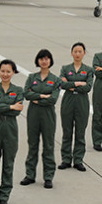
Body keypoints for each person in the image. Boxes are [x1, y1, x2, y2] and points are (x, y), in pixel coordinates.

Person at [0, 59, 24, 204]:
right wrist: (10, 105)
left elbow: (18, 109)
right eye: (3, 71)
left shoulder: (18, 90)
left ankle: (4, 196)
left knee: (8, 163)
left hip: (10, 128)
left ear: (13, 72)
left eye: (8, 71)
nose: (5, 74)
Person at [21, 50, 62, 189]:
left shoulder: (55, 80)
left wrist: (37, 98)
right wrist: (43, 96)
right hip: (33, 114)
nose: (44, 61)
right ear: (37, 61)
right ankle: (30, 174)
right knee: (32, 143)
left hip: (48, 114)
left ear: (50, 61)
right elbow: (26, 93)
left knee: (48, 145)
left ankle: (48, 176)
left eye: (46, 59)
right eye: (41, 59)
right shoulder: (32, 77)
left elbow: (53, 99)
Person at [58, 43, 94, 172]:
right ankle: (66, 159)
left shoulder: (89, 70)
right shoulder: (65, 68)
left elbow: (88, 87)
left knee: (80, 132)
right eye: (75, 51)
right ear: (71, 53)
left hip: (82, 102)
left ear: (84, 53)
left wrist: (70, 83)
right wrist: (78, 83)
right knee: (67, 131)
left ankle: (78, 160)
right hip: (68, 101)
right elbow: (61, 84)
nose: (77, 54)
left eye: (80, 51)